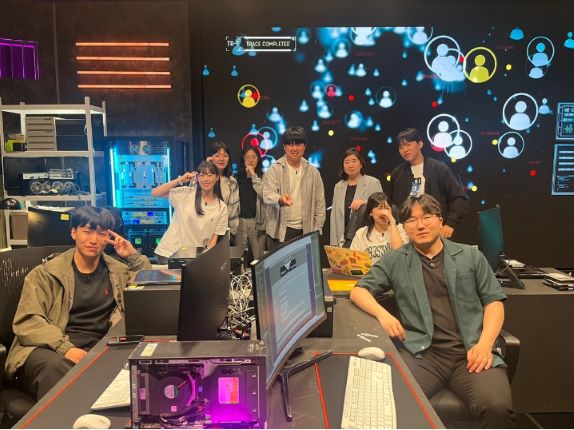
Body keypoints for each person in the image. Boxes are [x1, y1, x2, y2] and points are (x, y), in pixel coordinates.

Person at [350, 195, 514, 428]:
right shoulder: (396, 260)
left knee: (496, 408)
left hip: (470, 352)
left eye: (426, 217)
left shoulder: (470, 256)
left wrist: (485, 345)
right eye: (411, 220)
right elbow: (359, 291)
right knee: (385, 402)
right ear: (404, 227)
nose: (420, 225)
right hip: (422, 354)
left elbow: (494, 301)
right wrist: (383, 314)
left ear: (440, 220)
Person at [5, 206, 151, 401]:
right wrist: (66, 348)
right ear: (74, 233)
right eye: (87, 232)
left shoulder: (118, 272)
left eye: (101, 234)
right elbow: (28, 322)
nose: (94, 240)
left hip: (99, 346)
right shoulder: (46, 273)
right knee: (54, 368)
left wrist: (132, 255)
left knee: (142, 363)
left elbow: (149, 286)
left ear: (109, 237)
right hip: (49, 347)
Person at [388, 128, 469, 239]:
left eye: (408, 145)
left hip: (435, 229)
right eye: (401, 147)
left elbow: (460, 198)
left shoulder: (439, 169)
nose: (405, 150)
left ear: (420, 144)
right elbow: (391, 204)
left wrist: (450, 224)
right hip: (406, 232)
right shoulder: (397, 174)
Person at [263, 125, 326, 250]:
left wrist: (316, 228)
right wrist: (280, 199)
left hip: (306, 231)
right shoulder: (275, 169)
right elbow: (267, 194)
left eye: (298, 144)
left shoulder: (313, 172)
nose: (295, 148)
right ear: (284, 147)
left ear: (304, 146)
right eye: (291, 144)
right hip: (280, 231)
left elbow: (320, 203)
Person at [153, 160, 228, 263]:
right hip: (169, 253)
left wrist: (207, 259)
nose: (206, 179)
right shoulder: (185, 193)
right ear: (197, 177)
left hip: (195, 257)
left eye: (210, 175)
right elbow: (155, 193)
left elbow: (213, 239)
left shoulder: (221, 207)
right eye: (202, 175)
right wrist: (180, 180)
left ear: (217, 177)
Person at [330, 147, 382, 247]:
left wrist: (365, 202)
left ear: (361, 164)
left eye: (354, 161)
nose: (350, 165)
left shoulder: (373, 182)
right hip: (342, 241)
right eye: (347, 162)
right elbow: (334, 216)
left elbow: (382, 208)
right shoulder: (338, 186)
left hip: (366, 240)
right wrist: (334, 243)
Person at [350, 192, 407, 264]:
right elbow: (353, 261)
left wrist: (392, 222)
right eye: (380, 208)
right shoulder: (361, 233)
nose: (384, 212)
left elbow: (400, 254)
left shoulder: (401, 229)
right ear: (370, 212)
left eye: (387, 208)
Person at [235, 146, 267, 261]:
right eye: (247, 157)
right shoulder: (237, 177)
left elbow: (264, 195)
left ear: (258, 158)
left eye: (254, 157)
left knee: (259, 258)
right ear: (243, 159)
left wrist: (253, 175)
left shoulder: (263, 176)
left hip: (257, 222)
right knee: (239, 257)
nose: (250, 160)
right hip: (240, 222)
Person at [207, 142, 240, 237]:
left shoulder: (232, 182)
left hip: (223, 231)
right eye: (217, 155)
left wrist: (232, 232)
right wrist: (207, 170)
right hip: (203, 230)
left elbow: (234, 209)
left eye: (225, 155)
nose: (221, 159)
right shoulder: (202, 179)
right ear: (211, 158)